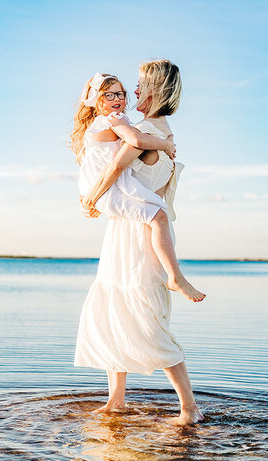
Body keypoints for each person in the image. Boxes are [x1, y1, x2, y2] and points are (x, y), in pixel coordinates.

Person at [75, 60, 205, 425]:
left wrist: (90, 200)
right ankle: (116, 399)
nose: (132, 93)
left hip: (139, 231)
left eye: (138, 85)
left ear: (155, 90)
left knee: (146, 317)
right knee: (118, 309)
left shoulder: (144, 129)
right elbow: (160, 190)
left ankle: (189, 408)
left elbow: (115, 169)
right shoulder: (164, 131)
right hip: (134, 226)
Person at [71, 72, 205, 302]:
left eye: (120, 93)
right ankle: (176, 277)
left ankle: (175, 275)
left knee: (158, 214)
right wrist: (165, 144)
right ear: (98, 100)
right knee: (158, 216)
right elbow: (137, 141)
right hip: (106, 188)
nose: (118, 98)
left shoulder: (116, 120)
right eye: (109, 94)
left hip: (107, 188)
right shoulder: (114, 120)